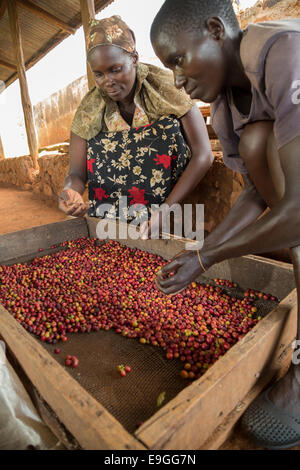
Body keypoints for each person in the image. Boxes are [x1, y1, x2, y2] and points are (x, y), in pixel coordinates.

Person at [150, 0, 300, 449]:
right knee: (258, 142)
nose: (176, 79)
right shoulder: (224, 110)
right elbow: (257, 192)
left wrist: (210, 256)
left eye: (177, 59)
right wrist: (201, 253)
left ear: (216, 29)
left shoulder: (282, 52)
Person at [58, 15, 213, 234]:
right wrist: (70, 191)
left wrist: (165, 210)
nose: (107, 81)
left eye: (115, 69)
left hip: (172, 210)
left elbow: (204, 154)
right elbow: (76, 173)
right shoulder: (89, 109)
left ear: (134, 59)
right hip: (113, 218)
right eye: (99, 74)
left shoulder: (167, 88)